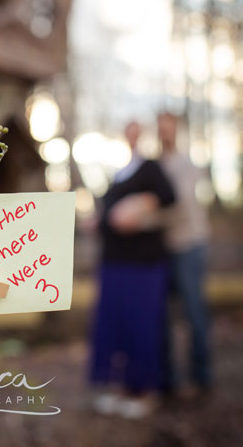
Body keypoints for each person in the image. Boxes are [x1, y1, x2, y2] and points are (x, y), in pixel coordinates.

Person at [89, 121, 175, 418]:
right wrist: (96, 223)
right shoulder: (118, 174)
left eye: (137, 128)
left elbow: (167, 197)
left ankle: (146, 390)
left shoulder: (150, 167)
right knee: (115, 325)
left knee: (142, 325)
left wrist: (141, 203)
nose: (132, 134)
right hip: (113, 263)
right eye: (127, 128)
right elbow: (108, 217)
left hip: (143, 263)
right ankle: (119, 387)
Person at [157, 112, 212, 396]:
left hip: (190, 245)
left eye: (168, 129)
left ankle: (201, 376)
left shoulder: (187, 164)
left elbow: (177, 202)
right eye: (160, 129)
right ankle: (169, 379)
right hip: (164, 250)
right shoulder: (156, 165)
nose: (164, 134)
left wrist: (142, 214)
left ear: (175, 130)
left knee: (194, 312)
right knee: (163, 316)